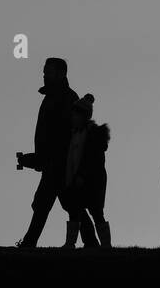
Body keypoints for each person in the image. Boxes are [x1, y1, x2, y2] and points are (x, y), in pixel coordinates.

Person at [16, 57, 97, 248]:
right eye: (44, 72)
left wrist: (43, 159)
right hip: (54, 163)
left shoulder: (67, 99)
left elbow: (64, 136)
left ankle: (29, 243)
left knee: (56, 205)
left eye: (48, 72)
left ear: (61, 74)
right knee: (58, 205)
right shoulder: (53, 98)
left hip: (59, 164)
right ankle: (91, 243)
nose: (44, 75)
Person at [66, 93, 112, 247]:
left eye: (75, 114)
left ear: (83, 116)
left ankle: (106, 245)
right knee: (75, 211)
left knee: (96, 213)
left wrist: (82, 175)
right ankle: (70, 243)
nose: (72, 117)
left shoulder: (92, 134)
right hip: (79, 179)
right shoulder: (75, 134)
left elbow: (92, 159)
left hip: (93, 181)